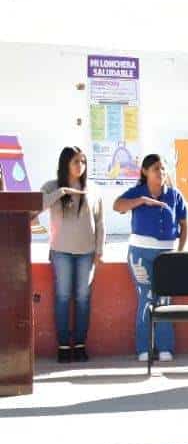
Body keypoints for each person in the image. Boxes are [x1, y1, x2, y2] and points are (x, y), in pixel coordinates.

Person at [113, 153, 188, 362]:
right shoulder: (137, 192)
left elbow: (184, 225)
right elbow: (117, 206)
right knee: (146, 298)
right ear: (145, 171)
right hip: (140, 254)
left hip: (167, 255)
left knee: (164, 300)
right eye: (156, 168)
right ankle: (144, 348)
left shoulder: (174, 195)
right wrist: (141, 201)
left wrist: (180, 253)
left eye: (163, 168)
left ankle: (165, 347)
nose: (161, 172)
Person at [40, 146, 104, 362]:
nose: (80, 166)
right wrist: (62, 192)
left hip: (87, 252)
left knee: (83, 298)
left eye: (83, 161)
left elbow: (100, 222)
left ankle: (79, 343)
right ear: (65, 163)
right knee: (63, 297)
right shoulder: (51, 186)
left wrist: (99, 251)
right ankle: (63, 346)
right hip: (61, 252)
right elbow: (36, 207)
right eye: (76, 161)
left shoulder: (92, 189)